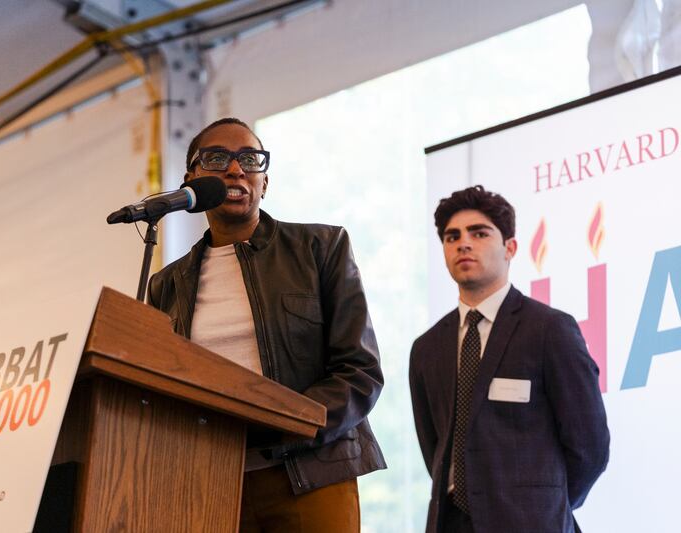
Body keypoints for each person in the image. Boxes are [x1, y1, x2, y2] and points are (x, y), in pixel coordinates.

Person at [148, 117, 385, 532]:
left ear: (265, 182)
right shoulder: (166, 285)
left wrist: (283, 424)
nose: (236, 169)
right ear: (192, 179)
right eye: (217, 158)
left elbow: (359, 372)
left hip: (312, 474)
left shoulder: (321, 249)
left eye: (250, 159)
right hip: (212, 486)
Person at [409, 185, 609, 533]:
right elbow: (434, 446)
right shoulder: (426, 348)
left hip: (531, 522)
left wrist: (544, 502)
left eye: (479, 233)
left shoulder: (550, 330)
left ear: (510, 248)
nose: (464, 243)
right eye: (452, 237)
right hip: (451, 523)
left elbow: (589, 445)